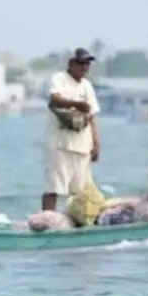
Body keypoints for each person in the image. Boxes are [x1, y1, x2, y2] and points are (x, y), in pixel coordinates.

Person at [43, 47, 102, 212]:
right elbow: (54, 100)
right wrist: (76, 104)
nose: (84, 67)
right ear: (72, 63)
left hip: (82, 146)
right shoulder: (59, 79)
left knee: (81, 191)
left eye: (87, 64)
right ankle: (48, 218)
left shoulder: (87, 86)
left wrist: (96, 143)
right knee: (54, 186)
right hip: (59, 145)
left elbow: (92, 117)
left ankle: (76, 221)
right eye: (81, 63)